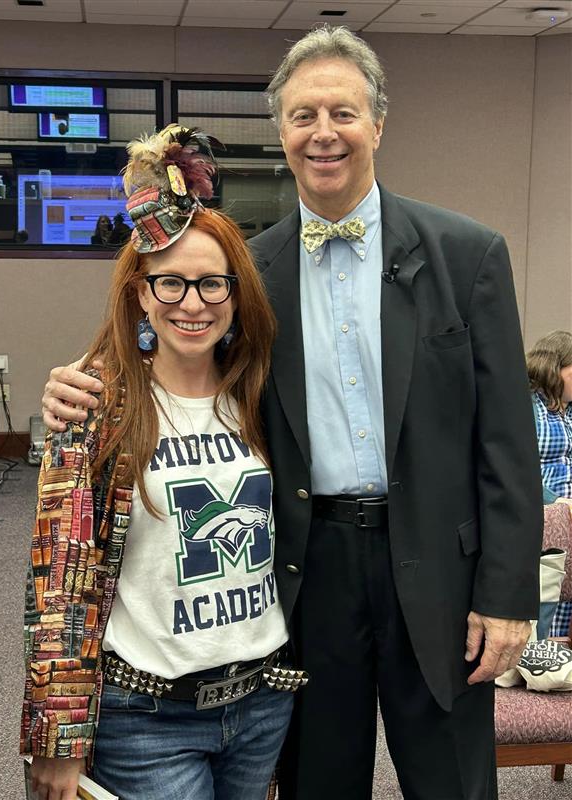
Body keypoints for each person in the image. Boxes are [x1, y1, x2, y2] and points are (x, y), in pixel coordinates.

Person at [41, 27, 543, 800]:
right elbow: (182, 338)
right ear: (282, 131)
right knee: (317, 781)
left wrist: (507, 597)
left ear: (378, 123)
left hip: (444, 568)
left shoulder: (468, 254)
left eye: (343, 112)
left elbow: (507, 443)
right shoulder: (253, 268)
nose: (324, 133)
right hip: (307, 574)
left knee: (452, 782)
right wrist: (86, 378)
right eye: (303, 115)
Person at [22, 124, 305, 800]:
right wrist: (56, 741)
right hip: (145, 718)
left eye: (212, 284)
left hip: (262, 704)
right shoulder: (96, 406)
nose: (192, 303)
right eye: (170, 284)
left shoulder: (264, 397)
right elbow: (59, 587)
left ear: (237, 296)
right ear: (140, 294)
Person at [527, 330, 572, 505]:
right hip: (544, 510)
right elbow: (514, 472)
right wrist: (556, 501)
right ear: (552, 369)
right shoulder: (528, 408)